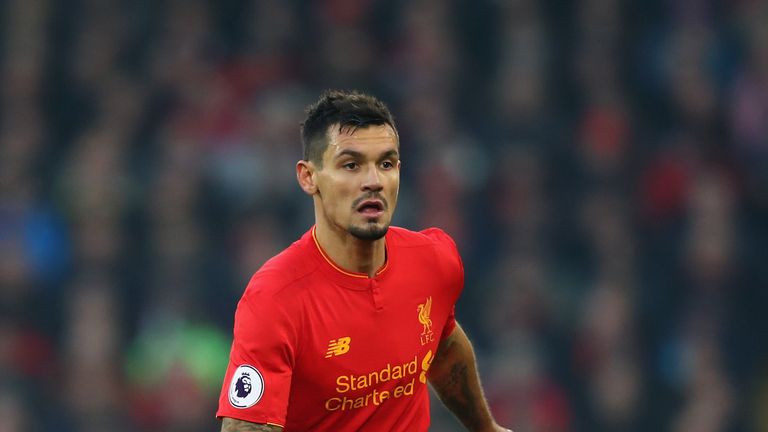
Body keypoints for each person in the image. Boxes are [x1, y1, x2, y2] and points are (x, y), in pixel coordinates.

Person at [217, 90, 511, 432]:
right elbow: (247, 427)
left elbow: (444, 348)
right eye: (351, 165)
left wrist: (487, 428)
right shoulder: (275, 299)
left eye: (386, 164)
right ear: (308, 177)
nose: (372, 182)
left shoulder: (435, 260)